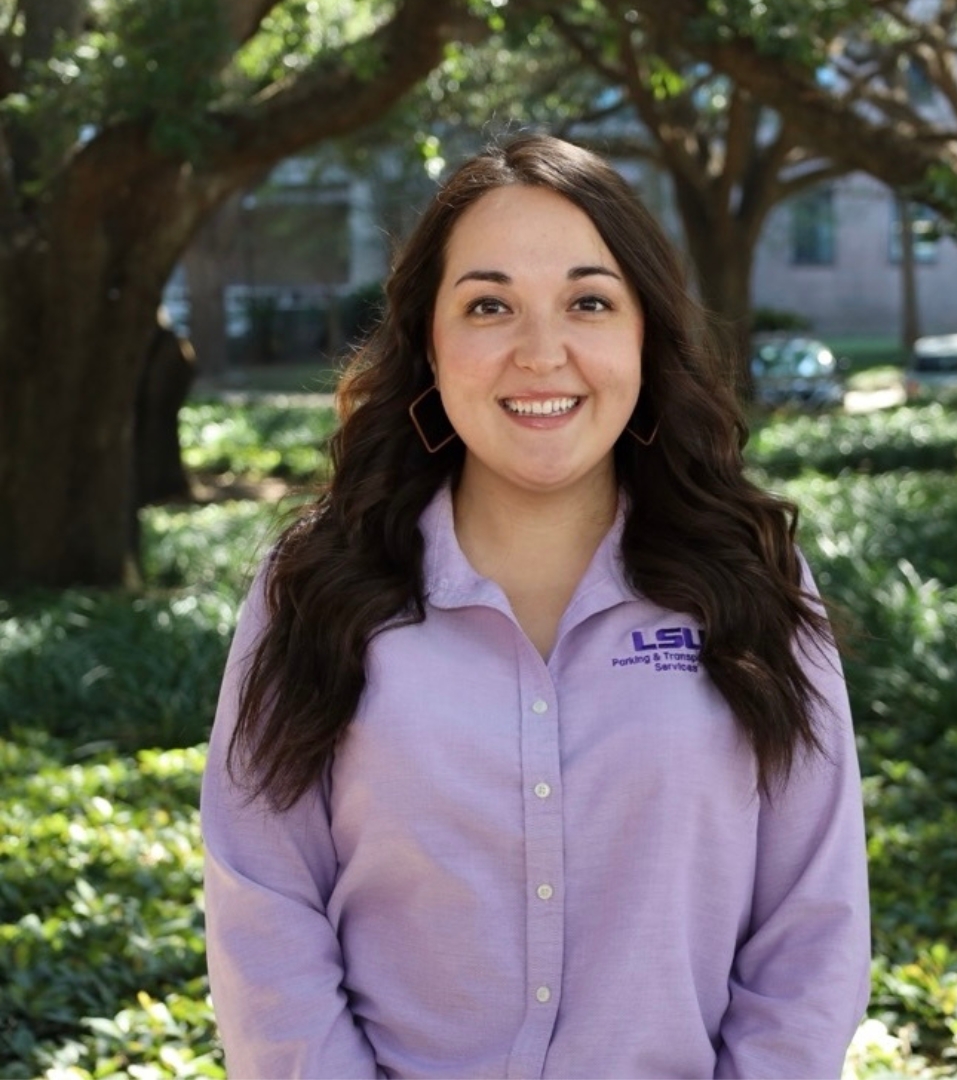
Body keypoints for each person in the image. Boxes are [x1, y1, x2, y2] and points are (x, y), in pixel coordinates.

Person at [201, 133, 871, 1080]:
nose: (541, 352)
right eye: (488, 306)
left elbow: (813, 925)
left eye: (589, 302)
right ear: (428, 343)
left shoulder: (754, 578)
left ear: (645, 335)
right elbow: (263, 908)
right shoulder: (313, 583)